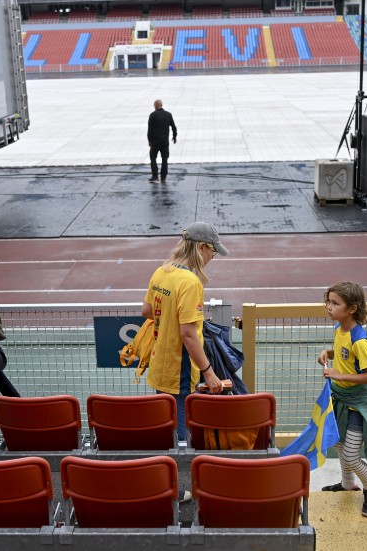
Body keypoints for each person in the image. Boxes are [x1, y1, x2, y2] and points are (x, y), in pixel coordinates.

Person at [142, 222, 226, 441]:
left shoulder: (161, 271)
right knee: (181, 439)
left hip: (160, 366)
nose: (212, 257)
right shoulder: (190, 282)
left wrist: (170, 318)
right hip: (180, 372)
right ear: (201, 248)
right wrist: (209, 373)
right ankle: (181, 475)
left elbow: (147, 310)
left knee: (166, 430)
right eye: (213, 251)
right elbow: (188, 335)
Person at [316, 281, 367, 517]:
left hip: (358, 403)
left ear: (352, 308)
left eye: (335, 303)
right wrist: (328, 353)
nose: (329, 307)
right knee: (338, 443)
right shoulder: (340, 329)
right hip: (341, 397)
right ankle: (348, 484)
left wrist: (339, 374)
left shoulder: (359, 339)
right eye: (328, 301)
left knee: (350, 454)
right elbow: (344, 354)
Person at [147, 99, 177, 184]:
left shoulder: (152, 115)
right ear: (161, 105)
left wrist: (149, 140)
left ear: (155, 106)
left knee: (153, 158)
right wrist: (174, 136)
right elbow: (174, 127)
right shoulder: (168, 114)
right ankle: (163, 177)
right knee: (165, 159)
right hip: (164, 142)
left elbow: (150, 130)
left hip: (155, 142)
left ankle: (155, 176)